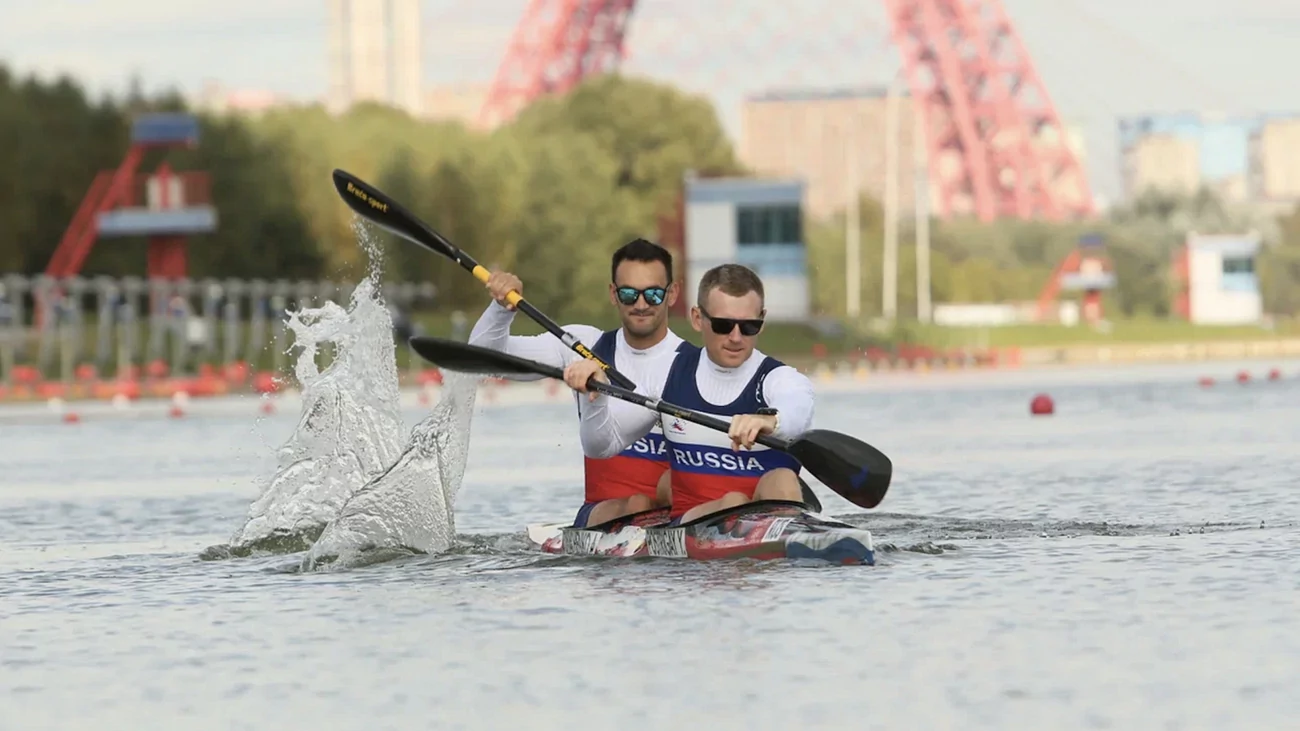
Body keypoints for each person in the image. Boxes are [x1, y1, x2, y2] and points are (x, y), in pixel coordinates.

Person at [565, 263, 813, 525]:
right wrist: (594, 398)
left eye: (749, 326)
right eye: (723, 325)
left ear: (761, 321)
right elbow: (600, 447)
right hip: (691, 525)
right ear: (697, 318)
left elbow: (798, 409)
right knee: (734, 502)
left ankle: (787, 546)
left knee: (783, 479)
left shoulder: (780, 378)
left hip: (765, 519)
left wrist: (771, 421)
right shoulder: (666, 372)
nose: (736, 337)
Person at [468, 238, 687, 528]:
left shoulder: (693, 365)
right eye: (629, 294)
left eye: (654, 295)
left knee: (669, 488)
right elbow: (483, 358)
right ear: (613, 294)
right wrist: (501, 309)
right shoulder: (584, 345)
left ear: (672, 294)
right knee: (638, 504)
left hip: (675, 516)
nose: (641, 304)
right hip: (602, 517)